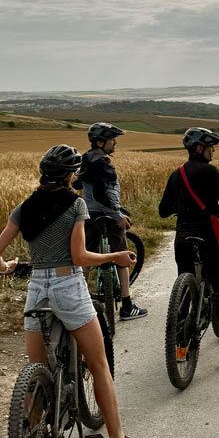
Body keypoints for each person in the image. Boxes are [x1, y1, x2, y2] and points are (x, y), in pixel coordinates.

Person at [0, 145, 148, 438]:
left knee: (38, 373)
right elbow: (79, 257)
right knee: (99, 365)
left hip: (36, 289)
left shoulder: (23, 208)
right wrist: (114, 256)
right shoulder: (75, 205)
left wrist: (8, 267)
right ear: (70, 176)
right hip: (68, 287)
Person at [158, 128, 219, 366]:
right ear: (200, 149)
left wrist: (183, 206)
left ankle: (180, 347)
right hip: (209, 237)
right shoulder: (209, 171)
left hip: (183, 239)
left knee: (184, 287)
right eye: (211, 147)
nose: (213, 150)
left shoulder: (176, 174)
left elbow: (163, 211)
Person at [75, 122, 147, 321]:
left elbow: (77, 183)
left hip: (89, 215)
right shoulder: (103, 164)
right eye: (112, 140)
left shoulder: (85, 159)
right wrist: (118, 216)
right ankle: (126, 305)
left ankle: (78, 302)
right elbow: (102, 194)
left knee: (86, 257)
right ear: (100, 142)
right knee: (121, 258)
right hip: (106, 216)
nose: (115, 143)